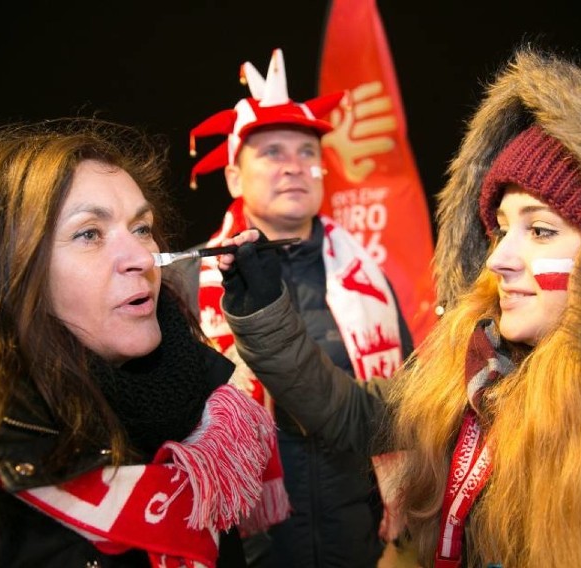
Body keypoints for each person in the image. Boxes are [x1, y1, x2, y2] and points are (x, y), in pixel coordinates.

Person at [214, 46, 581, 567]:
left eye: (539, 229)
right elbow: (356, 415)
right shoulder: (476, 367)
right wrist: (265, 313)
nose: (500, 258)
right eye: (502, 227)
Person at [0, 118, 284, 568]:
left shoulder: (200, 407)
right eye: (89, 233)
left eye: (141, 228)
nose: (141, 258)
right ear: (2, 274)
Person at [175, 48, 415, 568]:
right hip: (250, 546)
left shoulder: (367, 279)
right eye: (272, 152)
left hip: (357, 542)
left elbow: (405, 403)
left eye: (307, 153)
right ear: (236, 178)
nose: (293, 167)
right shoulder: (193, 288)